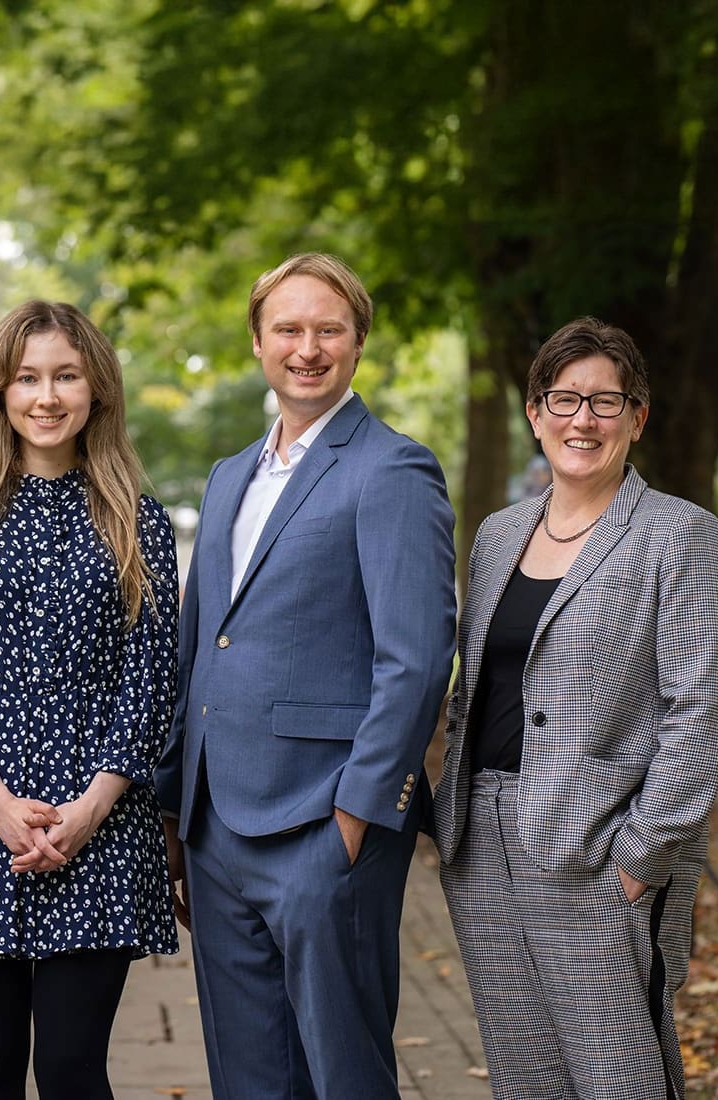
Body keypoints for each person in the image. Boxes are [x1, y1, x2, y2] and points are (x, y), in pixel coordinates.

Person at [155, 252, 457, 1098]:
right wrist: (180, 812)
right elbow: (198, 646)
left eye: (329, 329)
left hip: (324, 827)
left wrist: (359, 816)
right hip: (215, 832)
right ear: (257, 342)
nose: (308, 347)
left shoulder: (392, 469)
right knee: (248, 1077)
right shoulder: (227, 479)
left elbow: (418, 658)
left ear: (359, 343)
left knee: (344, 1075)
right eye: (288, 328)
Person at [433, 318, 718, 1099]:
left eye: (606, 402)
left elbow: (701, 706)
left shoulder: (679, 534)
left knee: (618, 1076)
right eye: (564, 399)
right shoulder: (500, 535)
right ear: (535, 413)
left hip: (598, 845)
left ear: (638, 418)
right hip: (483, 840)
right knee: (525, 1075)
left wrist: (643, 854)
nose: (582, 421)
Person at [0, 300, 179, 1100]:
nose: (46, 397)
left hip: (102, 823)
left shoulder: (136, 523)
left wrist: (88, 810)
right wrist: (2, 807)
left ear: (96, 392)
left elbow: (149, 683)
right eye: (27, 378)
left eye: (65, 376)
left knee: (73, 1069)